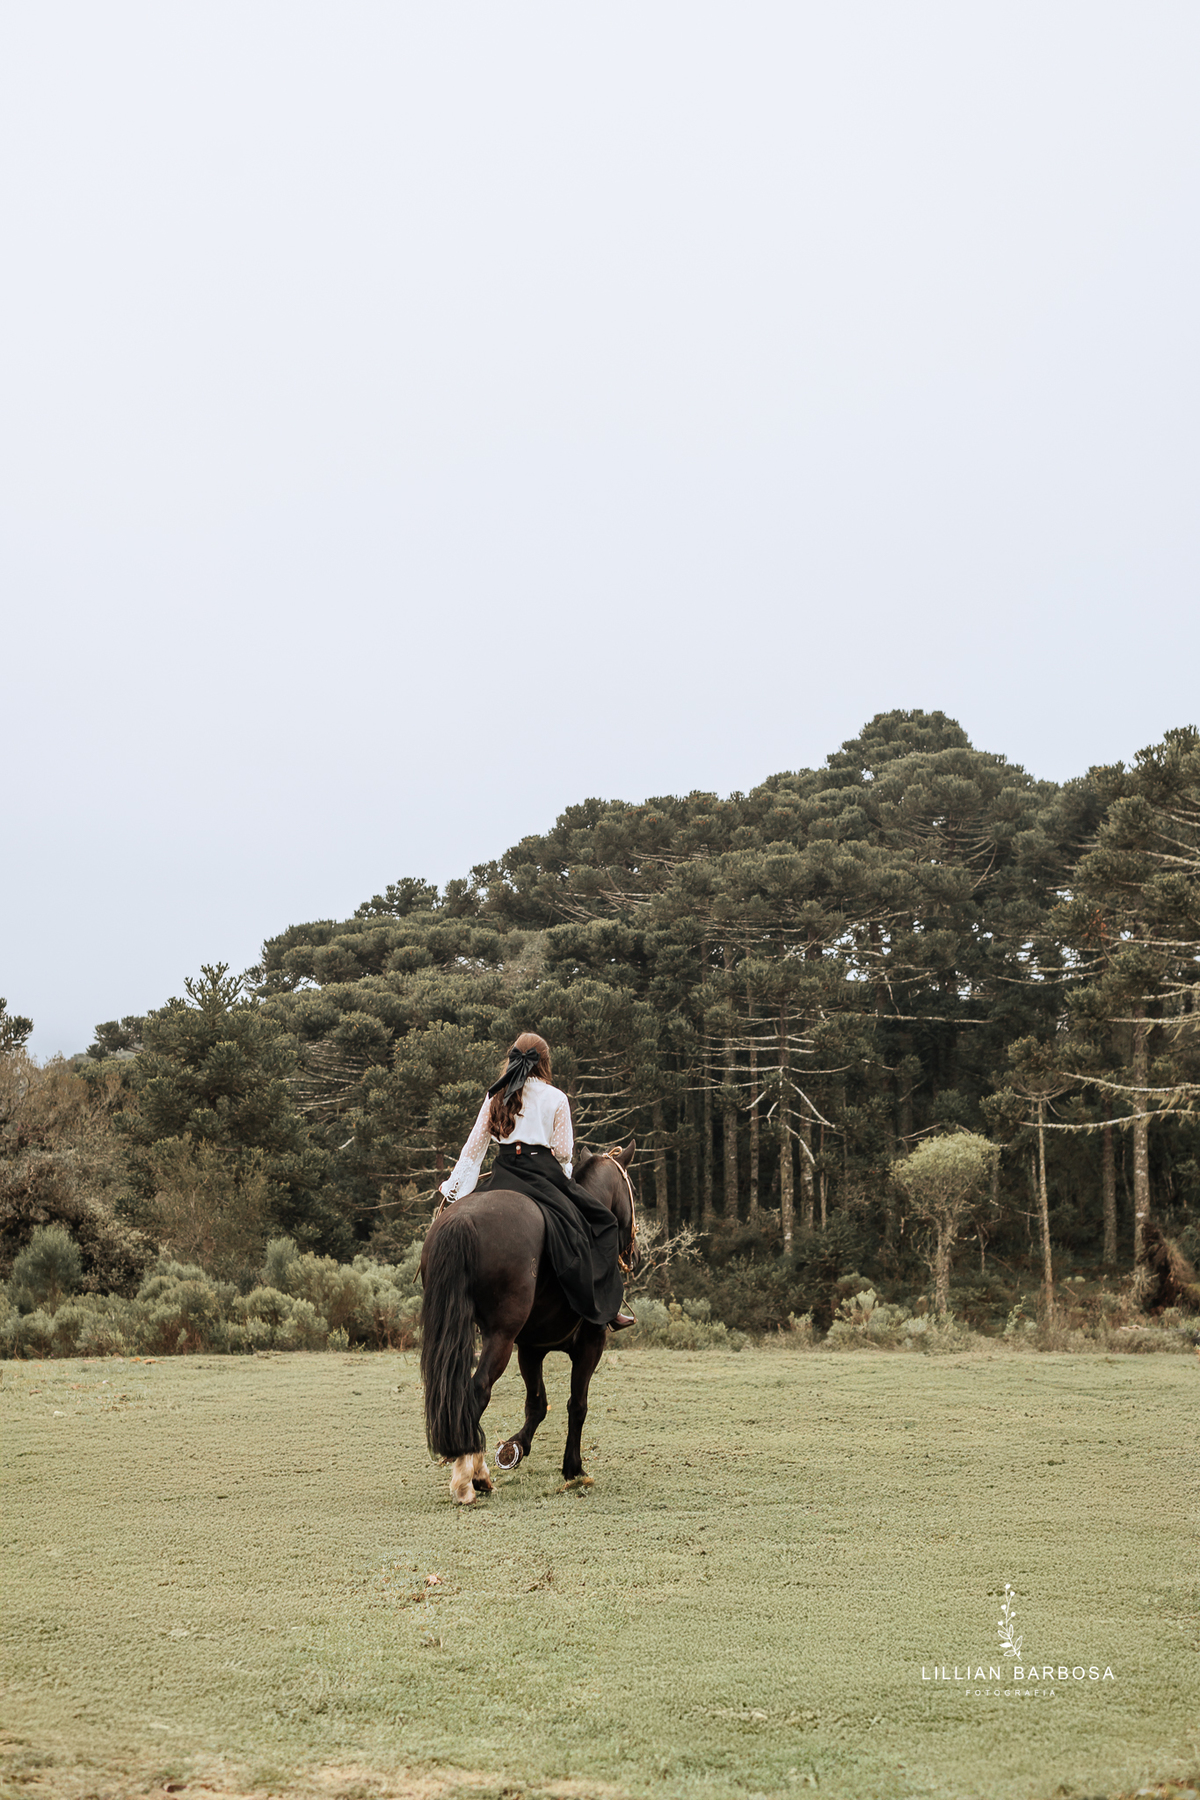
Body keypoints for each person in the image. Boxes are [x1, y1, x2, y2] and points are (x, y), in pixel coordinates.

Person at [439, 1032, 635, 1329]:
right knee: (603, 1222)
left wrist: (458, 1190)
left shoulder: (496, 1094)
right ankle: (605, 1310)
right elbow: (563, 1152)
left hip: (504, 1171)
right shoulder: (556, 1097)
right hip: (544, 1174)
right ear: (544, 1063)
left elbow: (474, 1147)